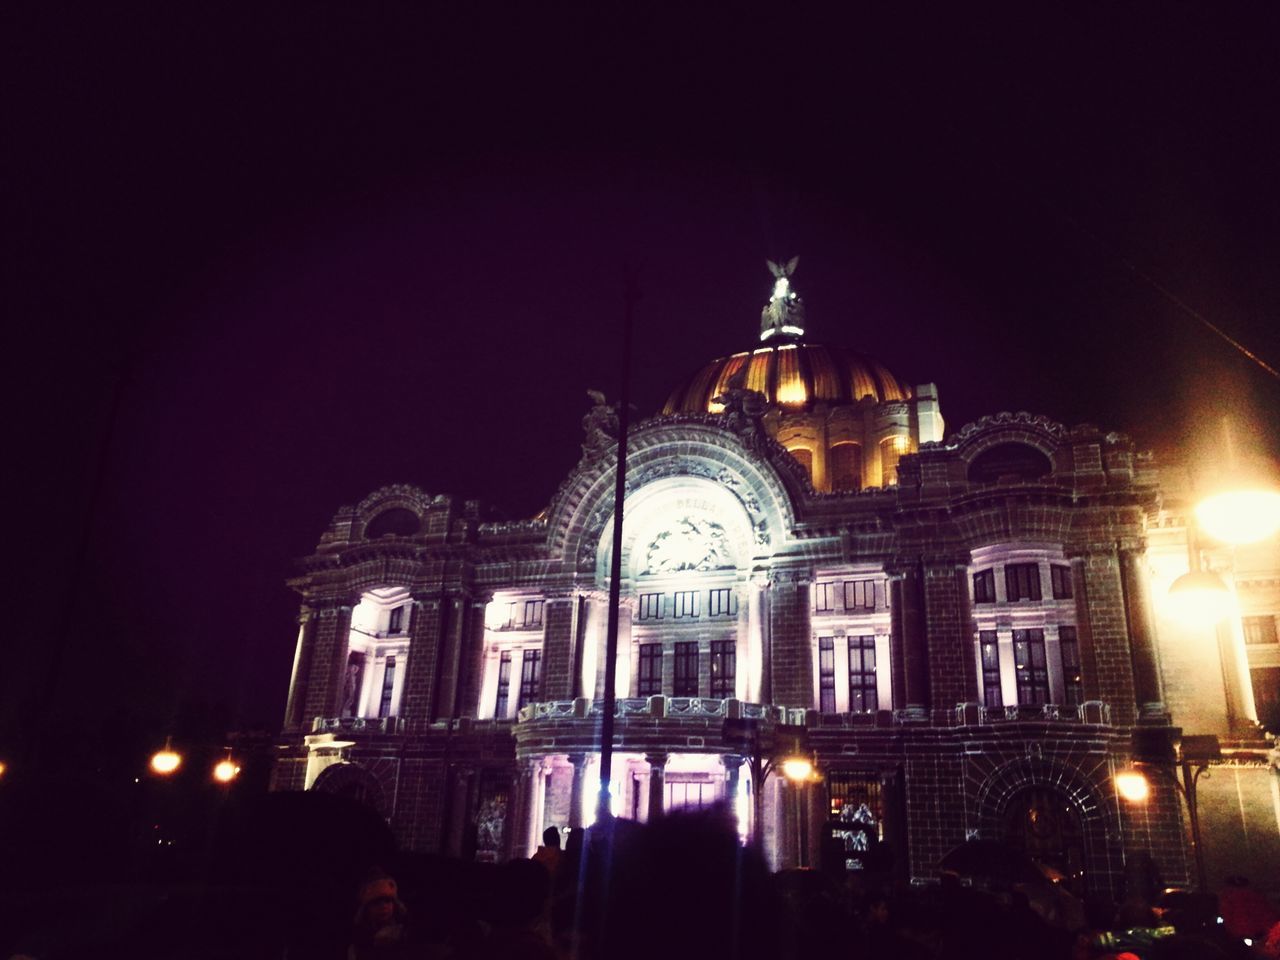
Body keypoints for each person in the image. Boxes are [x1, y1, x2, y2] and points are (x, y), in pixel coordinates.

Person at [348, 869, 411, 960]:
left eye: (387, 901)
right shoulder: (359, 941)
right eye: (376, 902)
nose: (384, 906)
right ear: (366, 909)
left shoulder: (404, 933)